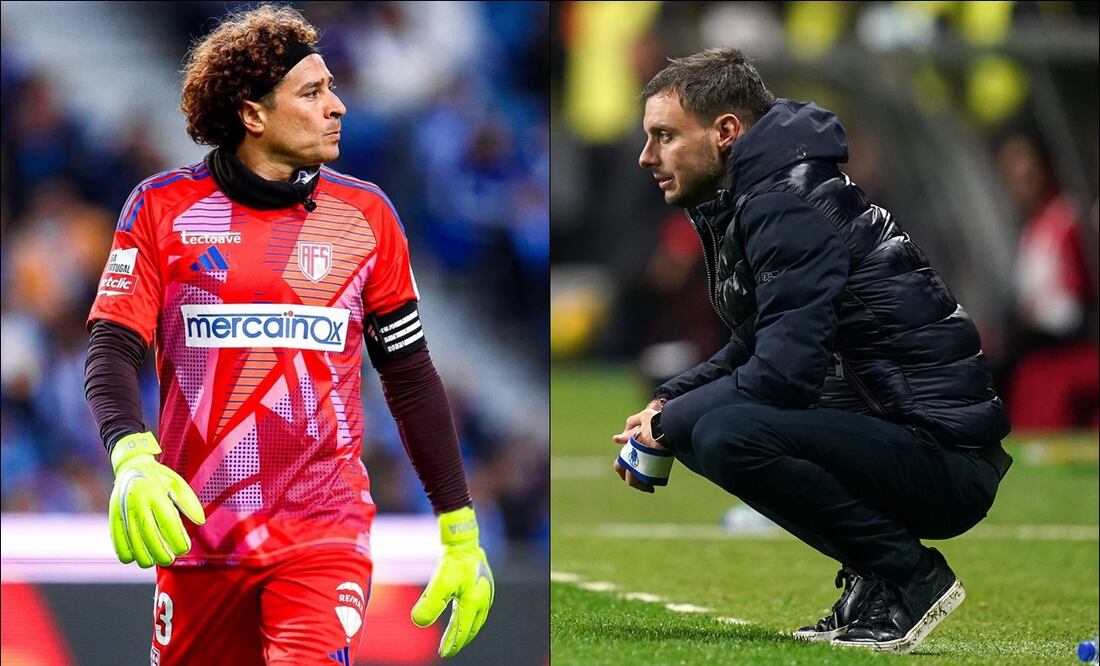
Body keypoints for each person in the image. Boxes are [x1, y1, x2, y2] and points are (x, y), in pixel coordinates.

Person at [83, 6, 493, 665]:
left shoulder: (367, 217)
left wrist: (460, 526)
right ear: (253, 115)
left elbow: (409, 374)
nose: (338, 106)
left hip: (321, 532)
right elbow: (111, 347)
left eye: (331, 87)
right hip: (198, 536)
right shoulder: (161, 209)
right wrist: (130, 453)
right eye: (313, 92)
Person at [613, 48, 1012, 654]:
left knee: (724, 434)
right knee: (699, 424)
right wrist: (667, 404)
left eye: (664, 136)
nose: (647, 156)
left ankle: (907, 577)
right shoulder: (768, 189)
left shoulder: (783, 201)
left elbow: (784, 373)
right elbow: (759, 343)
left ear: (726, 133)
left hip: (943, 457)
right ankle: (872, 578)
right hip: (909, 436)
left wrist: (673, 421)